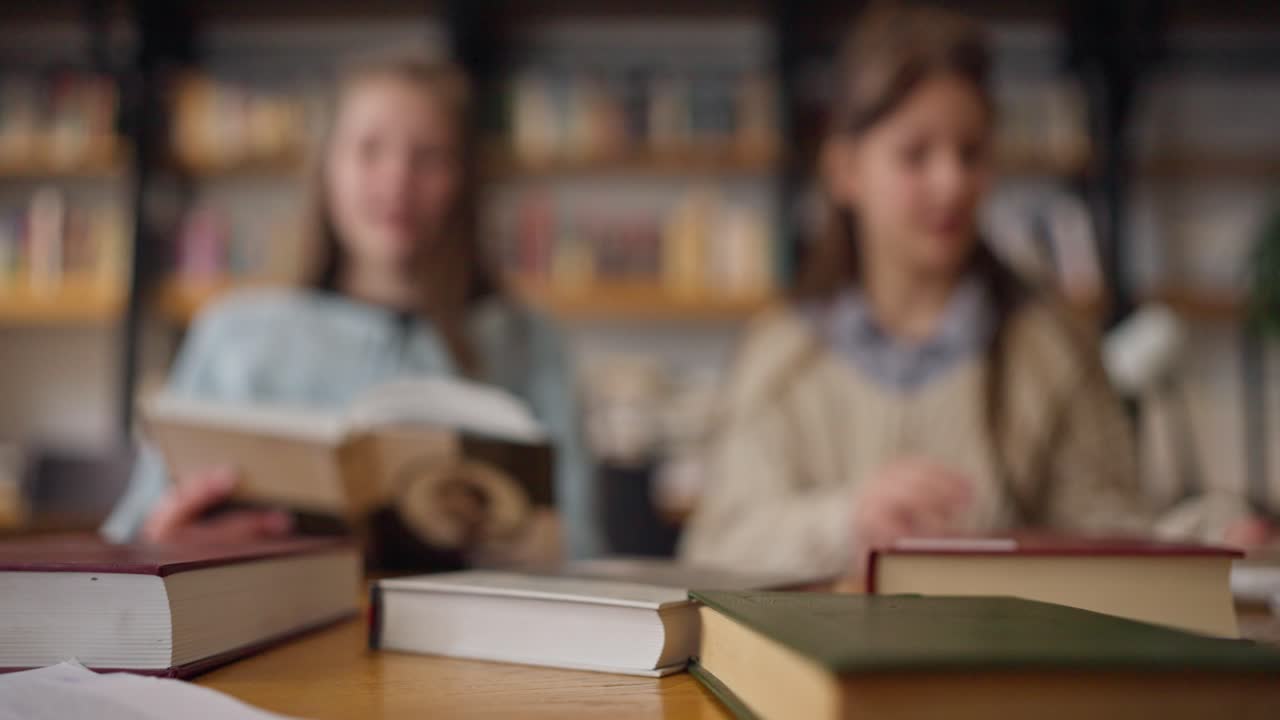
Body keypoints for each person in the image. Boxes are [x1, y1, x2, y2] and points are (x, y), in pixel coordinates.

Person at [679, 5, 1154, 576]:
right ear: (846, 171)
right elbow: (716, 546)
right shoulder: (780, 355)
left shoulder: (1053, 349)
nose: (951, 183)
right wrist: (847, 521)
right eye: (915, 154)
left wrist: (1209, 534)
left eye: (971, 152)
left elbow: (1119, 537)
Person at [102, 52, 602, 566]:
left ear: (464, 180)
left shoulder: (528, 342)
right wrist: (166, 538)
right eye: (369, 150)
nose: (397, 180)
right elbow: (130, 539)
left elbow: (581, 548)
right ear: (327, 170)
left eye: (429, 156)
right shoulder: (235, 334)